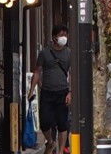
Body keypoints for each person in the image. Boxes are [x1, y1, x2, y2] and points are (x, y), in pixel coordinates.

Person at [27, 24, 71, 154]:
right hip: (47, 91)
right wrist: (31, 91)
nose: (64, 37)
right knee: (44, 122)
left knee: (62, 124)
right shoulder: (44, 53)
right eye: (61, 35)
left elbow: (72, 73)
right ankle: (51, 142)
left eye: (65, 35)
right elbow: (37, 72)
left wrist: (70, 92)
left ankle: (61, 150)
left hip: (62, 91)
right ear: (54, 37)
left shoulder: (69, 53)